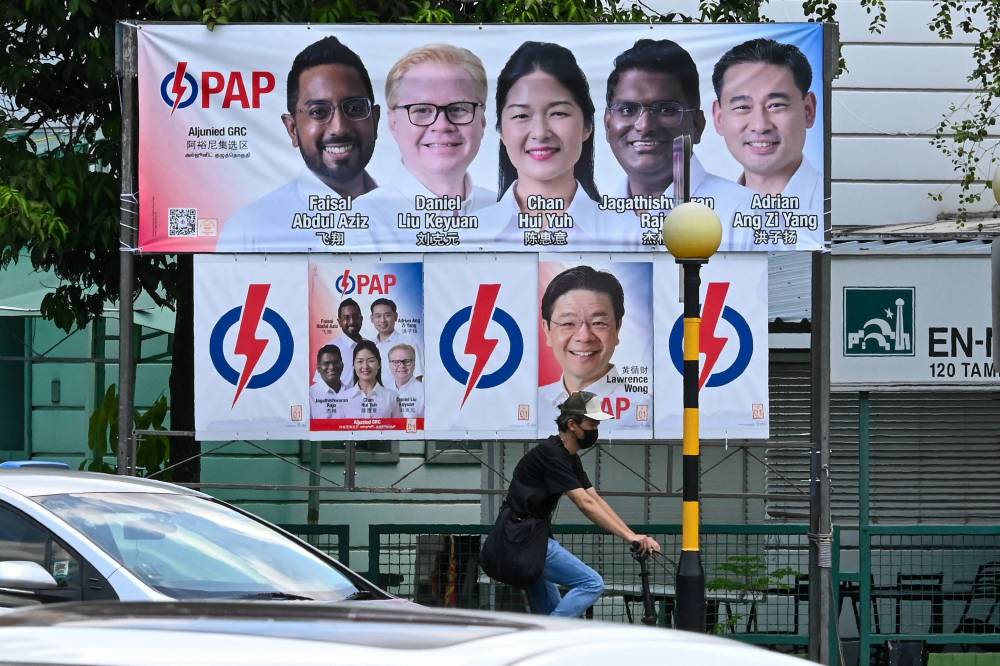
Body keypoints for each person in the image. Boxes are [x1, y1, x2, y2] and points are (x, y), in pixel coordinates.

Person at [504, 390, 660, 617]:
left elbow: (594, 498)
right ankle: (541, 642)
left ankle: (545, 647)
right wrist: (630, 537)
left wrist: (633, 534)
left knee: (552, 613)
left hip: (528, 538)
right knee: (592, 584)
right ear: (572, 424)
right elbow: (585, 503)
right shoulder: (551, 455)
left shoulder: (568, 457)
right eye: (591, 423)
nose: (595, 429)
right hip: (523, 539)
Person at [218, 36, 379, 251]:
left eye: (355, 109)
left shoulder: (411, 220)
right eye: (318, 112)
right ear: (292, 129)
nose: (339, 128)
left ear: (375, 120)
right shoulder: (249, 231)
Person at [474, 41, 634, 252]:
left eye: (558, 113)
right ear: (501, 130)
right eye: (521, 115)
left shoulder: (630, 235)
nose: (540, 132)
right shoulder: (468, 235)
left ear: (587, 126)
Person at [603, 39, 754, 250]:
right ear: (607, 124)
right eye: (628, 109)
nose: (645, 126)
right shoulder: (592, 218)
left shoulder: (746, 213)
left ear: (697, 125)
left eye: (666, 109)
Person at [355, 44, 495, 249]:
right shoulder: (360, 224)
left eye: (458, 109)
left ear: (482, 121)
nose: (442, 125)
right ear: (393, 123)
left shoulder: (507, 213)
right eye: (422, 110)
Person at [711, 38, 821, 217]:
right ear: (719, 117)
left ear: (808, 110)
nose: (760, 126)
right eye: (742, 107)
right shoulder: (708, 214)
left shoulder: (832, 205)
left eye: (776, 105)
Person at [538, 266, 649, 429]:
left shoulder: (644, 410)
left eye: (598, 323)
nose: (584, 336)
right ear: (547, 330)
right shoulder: (535, 404)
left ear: (617, 328)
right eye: (568, 323)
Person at [342, 340, 402, 419]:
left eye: (371, 361)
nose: (365, 366)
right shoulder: (342, 399)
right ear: (353, 365)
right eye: (360, 361)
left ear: (379, 364)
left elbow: (399, 430)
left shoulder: (392, 397)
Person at [370, 298, 423, 385]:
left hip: (401, 397)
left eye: (387, 315)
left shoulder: (409, 343)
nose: (383, 320)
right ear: (372, 319)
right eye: (378, 316)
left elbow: (418, 378)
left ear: (396, 316)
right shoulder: (369, 345)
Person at [329, 298, 365, 387]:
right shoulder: (329, 349)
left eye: (355, 317)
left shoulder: (372, 346)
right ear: (339, 322)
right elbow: (321, 386)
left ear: (361, 319)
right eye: (346, 318)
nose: (352, 322)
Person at [309, 345, 349, 419]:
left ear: (342, 365)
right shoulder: (310, 396)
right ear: (318, 368)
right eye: (326, 363)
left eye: (336, 362)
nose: (332, 367)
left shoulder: (352, 392)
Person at [388, 343, 424, 418]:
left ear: (414, 364)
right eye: (396, 362)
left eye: (407, 361)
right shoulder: (384, 389)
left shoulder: (424, 393)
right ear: (389, 365)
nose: (401, 366)